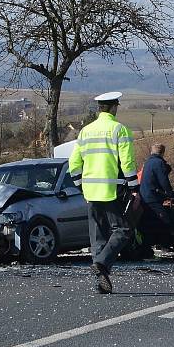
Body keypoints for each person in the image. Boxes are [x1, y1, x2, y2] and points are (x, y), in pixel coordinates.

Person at [68, 91, 138, 294]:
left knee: (97, 236)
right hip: (112, 190)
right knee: (122, 230)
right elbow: (127, 162)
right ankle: (103, 263)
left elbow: (74, 163)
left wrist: (80, 184)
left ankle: (101, 281)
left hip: (90, 191)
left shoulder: (85, 131)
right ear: (114, 107)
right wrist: (134, 185)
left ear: (100, 108)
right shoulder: (119, 130)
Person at [140, 143, 174, 227]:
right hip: (152, 198)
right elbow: (164, 182)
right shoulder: (159, 163)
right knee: (165, 222)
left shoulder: (147, 162)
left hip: (144, 197)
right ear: (162, 153)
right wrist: (172, 195)